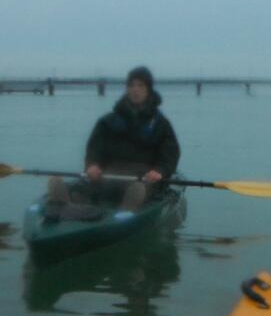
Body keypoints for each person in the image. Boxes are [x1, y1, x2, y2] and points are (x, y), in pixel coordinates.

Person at [49, 66, 180, 211]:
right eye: (131, 85)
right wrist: (92, 164)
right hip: (109, 174)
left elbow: (170, 154)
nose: (135, 90)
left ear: (148, 89)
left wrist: (160, 171)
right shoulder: (108, 121)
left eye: (140, 85)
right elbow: (95, 148)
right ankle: (65, 203)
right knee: (85, 189)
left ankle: (128, 211)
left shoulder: (161, 124)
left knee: (139, 190)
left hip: (143, 178)